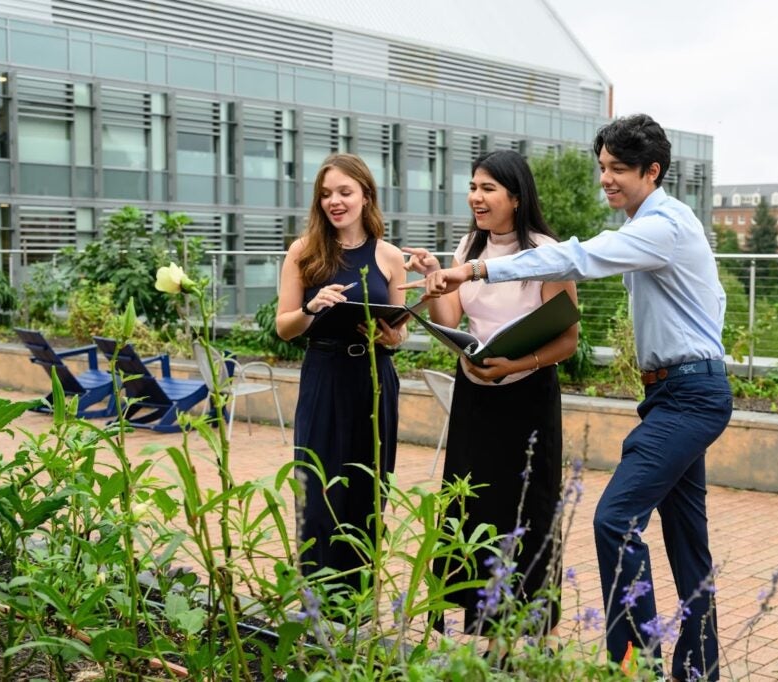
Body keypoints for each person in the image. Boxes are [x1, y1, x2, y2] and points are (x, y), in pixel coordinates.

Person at [407, 115, 732, 681]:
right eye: (602, 166)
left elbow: (576, 258)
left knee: (614, 518)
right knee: (688, 542)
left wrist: (478, 267)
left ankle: (635, 667)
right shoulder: (654, 224)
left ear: (652, 171)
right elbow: (717, 297)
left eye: (619, 170)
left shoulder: (662, 227)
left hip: (689, 394)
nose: (606, 179)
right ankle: (697, 670)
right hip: (674, 391)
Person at [403, 150, 579, 649]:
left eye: (487, 189)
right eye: (473, 187)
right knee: (471, 510)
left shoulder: (548, 251)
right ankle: (485, 632)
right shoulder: (469, 245)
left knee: (525, 510)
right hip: (475, 398)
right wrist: (438, 273)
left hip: (527, 398)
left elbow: (568, 340)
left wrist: (515, 365)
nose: (475, 197)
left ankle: (532, 636)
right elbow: (452, 318)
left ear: (516, 197)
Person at [276, 153, 408, 589]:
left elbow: (400, 331)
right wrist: (313, 308)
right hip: (325, 375)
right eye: (326, 194)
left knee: (369, 488)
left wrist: (392, 336)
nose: (335, 201)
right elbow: (284, 327)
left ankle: (357, 607)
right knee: (319, 489)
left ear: (365, 195)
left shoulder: (390, 256)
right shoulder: (303, 251)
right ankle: (317, 600)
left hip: (374, 378)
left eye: (345, 192)